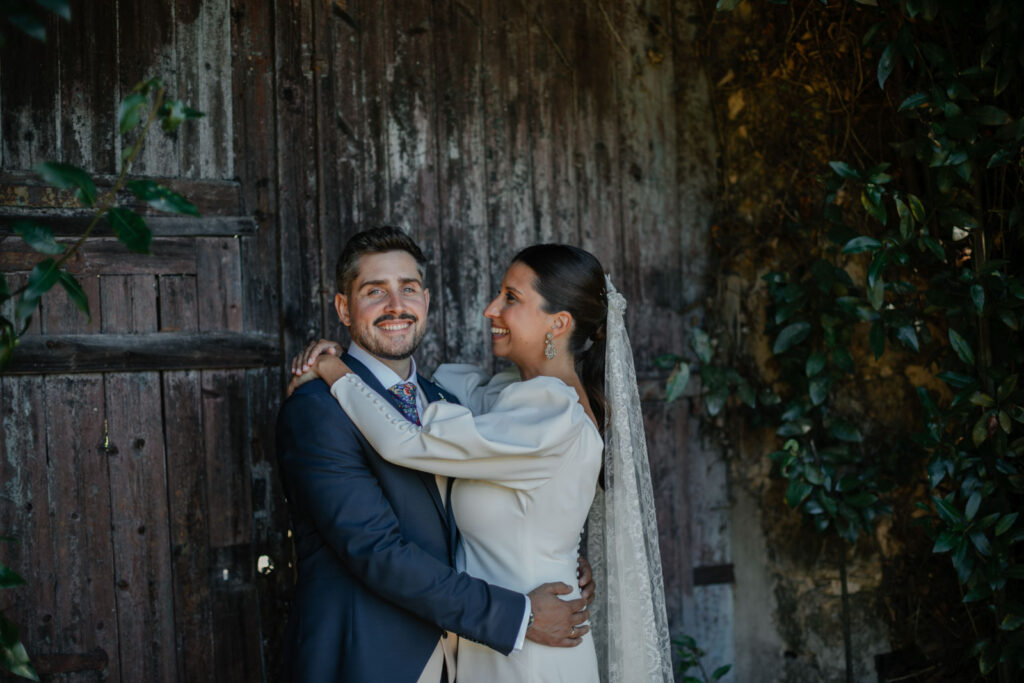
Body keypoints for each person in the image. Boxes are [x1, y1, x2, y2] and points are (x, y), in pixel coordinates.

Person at [296, 242, 675, 682]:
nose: (490, 309)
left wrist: (334, 371)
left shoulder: (552, 413)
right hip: (495, 639)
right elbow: (430, 400)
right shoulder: (509, 398)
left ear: (558, 323)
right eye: (375, 291)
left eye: (511, 298)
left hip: (532, 644)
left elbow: (408, 442)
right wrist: (564, 557)